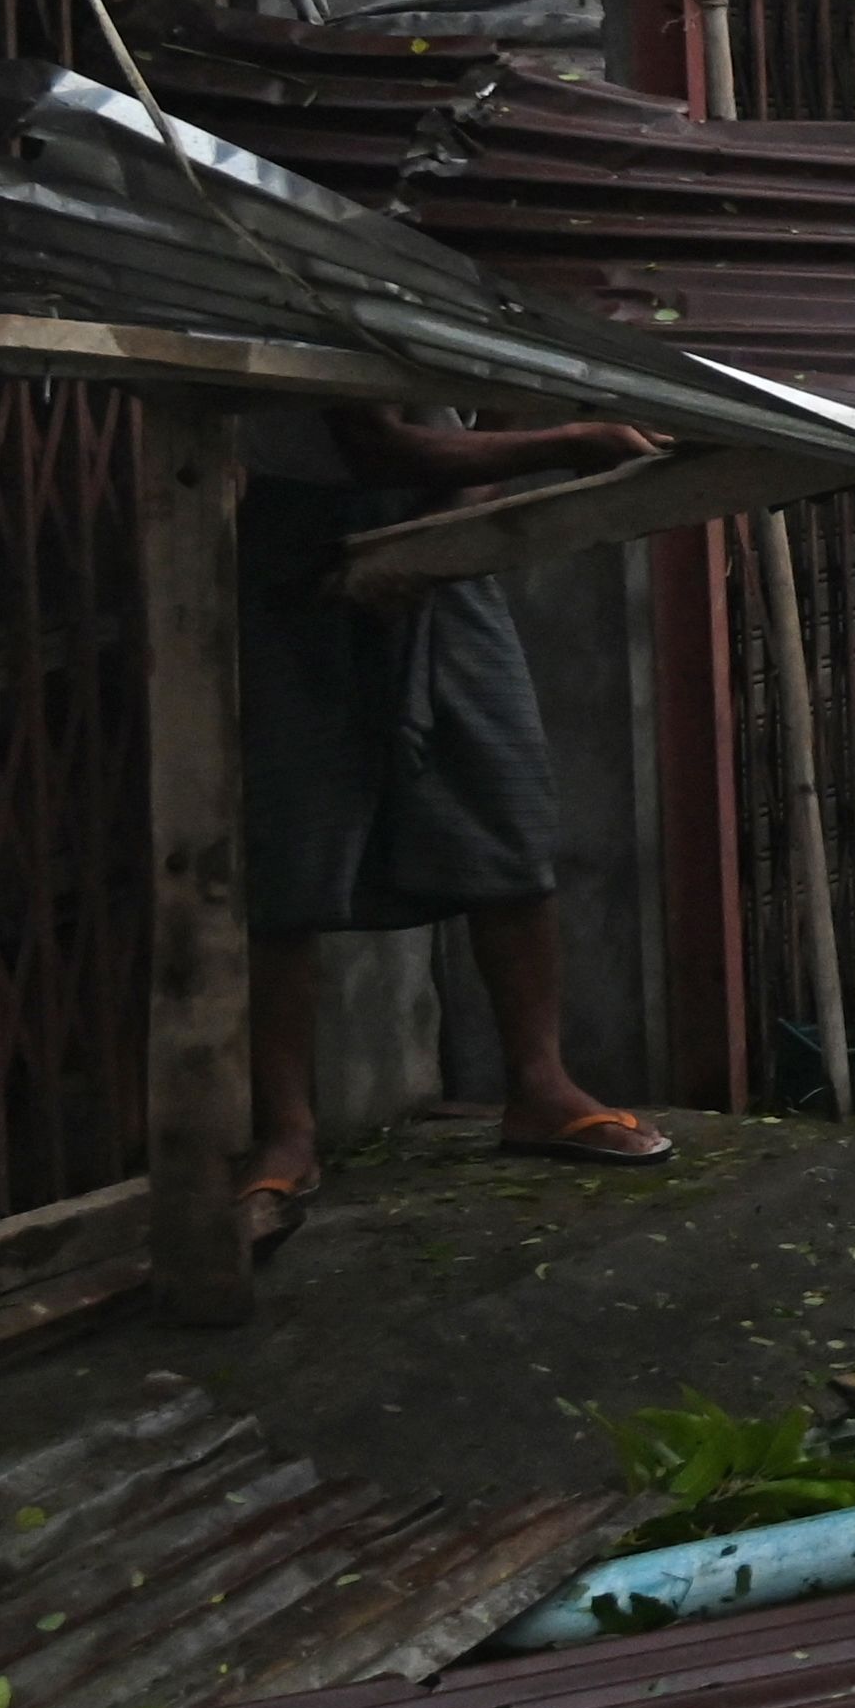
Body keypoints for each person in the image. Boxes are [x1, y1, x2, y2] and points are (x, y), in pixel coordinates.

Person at [239, 405, 682, 1237]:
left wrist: (444, 536)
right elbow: (376, 443)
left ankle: (539, 1086)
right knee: (288, 837)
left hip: (444, 535)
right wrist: (576, 442)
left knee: (506, 802)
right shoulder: (299, 286)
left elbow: (462, 435)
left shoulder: (454, 291)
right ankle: (285, 1132)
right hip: (301, 539)